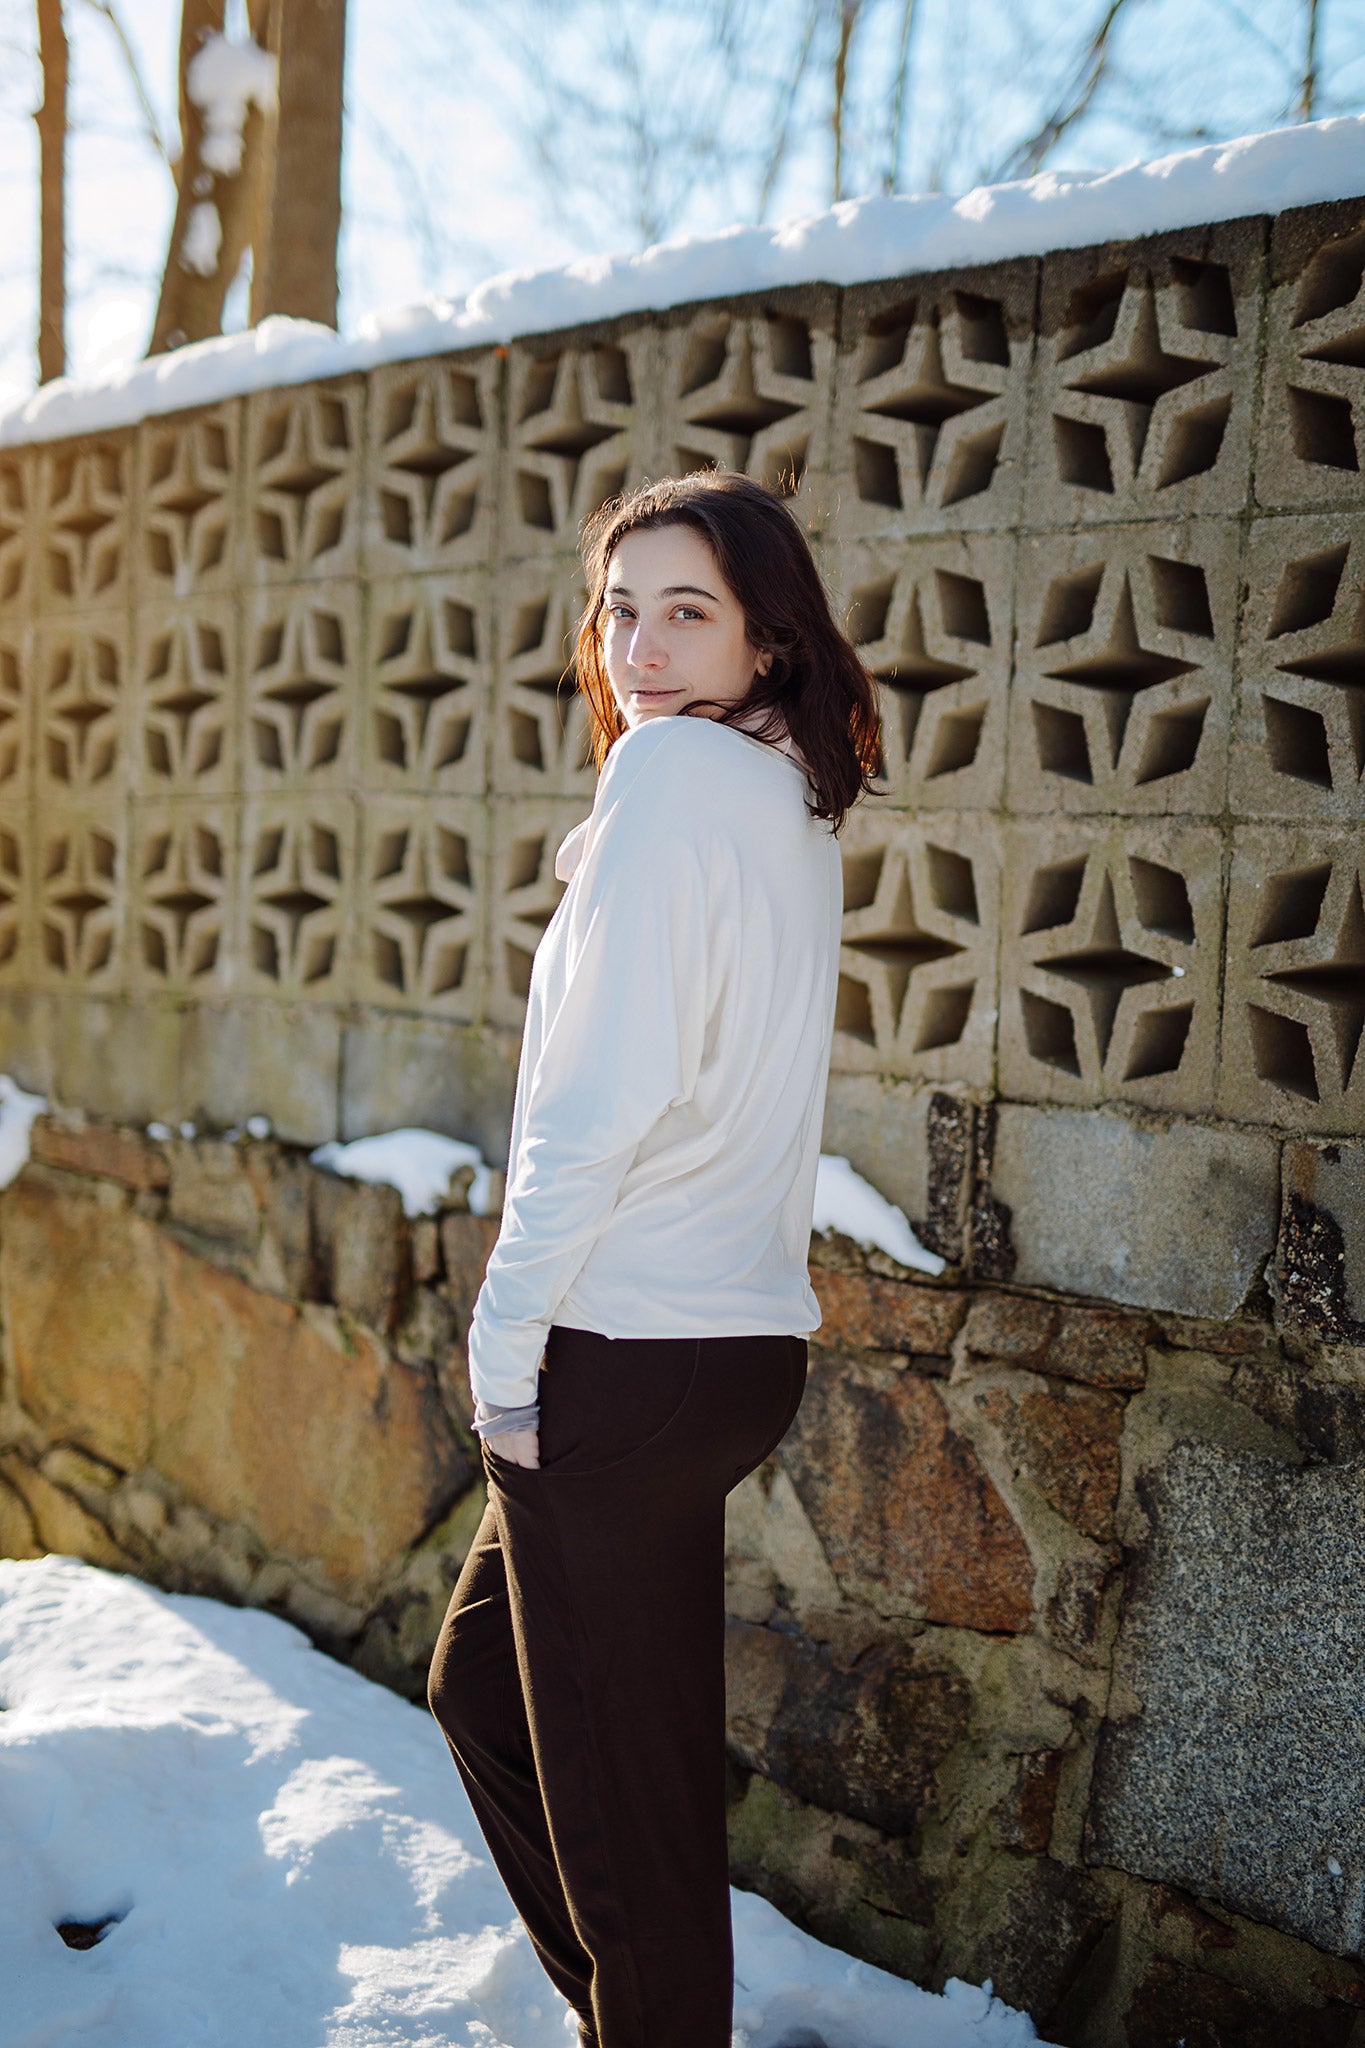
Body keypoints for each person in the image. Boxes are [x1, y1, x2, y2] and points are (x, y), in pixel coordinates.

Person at [427, 468, 882, 2048]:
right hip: (728, 1360)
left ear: (767, 639)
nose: (639, 648)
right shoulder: (784, 799)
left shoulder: (673, 781)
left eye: (687, 612)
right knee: (487, 1694)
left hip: (617, 1357)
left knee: (631, 1824)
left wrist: (502, 1350)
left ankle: (650, 2022)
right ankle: (623, 2014)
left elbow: (594, 1109)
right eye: (620, 610)